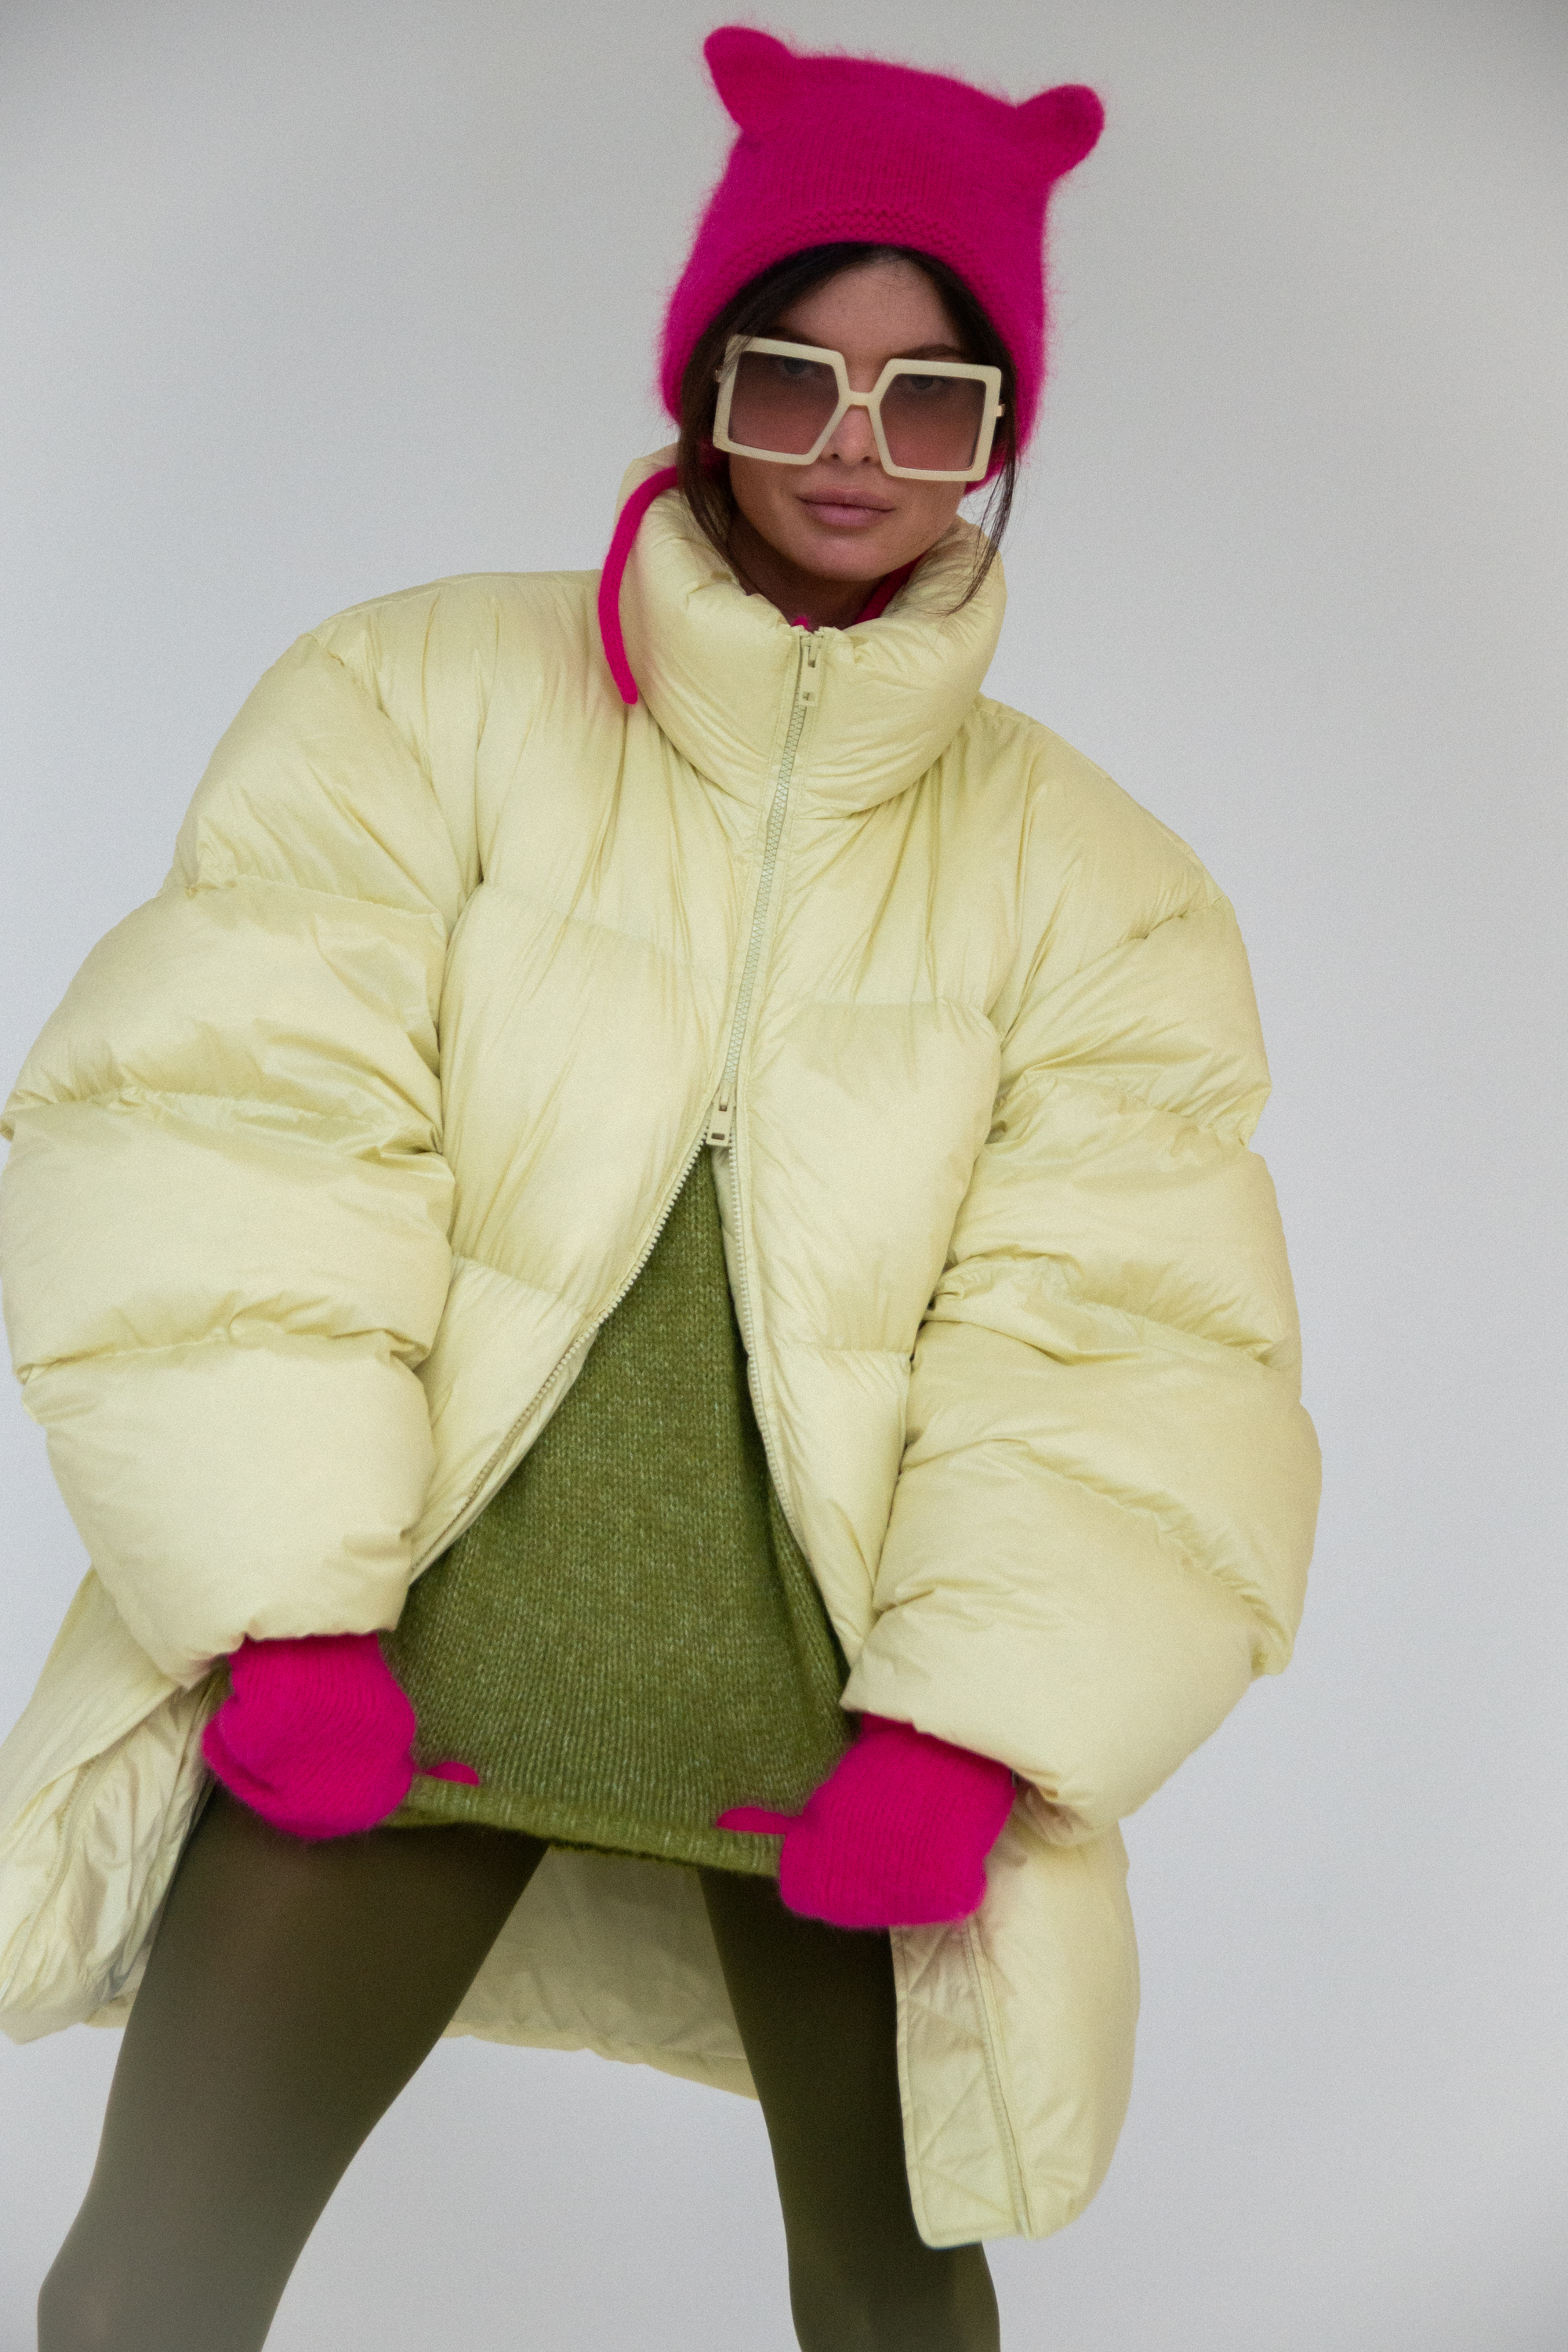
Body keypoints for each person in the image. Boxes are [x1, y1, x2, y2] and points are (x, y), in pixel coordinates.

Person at [0, 25, 1320, 2352]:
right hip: (395, 1666)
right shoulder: (414, 698)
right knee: (153, 2290)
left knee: (898, 2312)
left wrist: (974, 1734)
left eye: (933, 401)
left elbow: (1123, 1340)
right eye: (796, 374)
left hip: (838, 1732)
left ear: (1001, 441)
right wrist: (280, 1610)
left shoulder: (1102, 885)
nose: (854, 447)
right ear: (706, 375)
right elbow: (226, 1144)